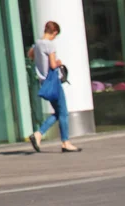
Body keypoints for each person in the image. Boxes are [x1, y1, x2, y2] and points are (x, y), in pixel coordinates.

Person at [27, 21, 81, 153]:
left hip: (44, 82)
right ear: (54, 32)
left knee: (58, 112)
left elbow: (30, 55)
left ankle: (39, 134)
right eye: (55, 35)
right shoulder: (49, 45)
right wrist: (58, 63)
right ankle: (65, 142)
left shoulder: (38, 43)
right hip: (53, 83)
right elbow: (52, 65)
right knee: (63, 112)